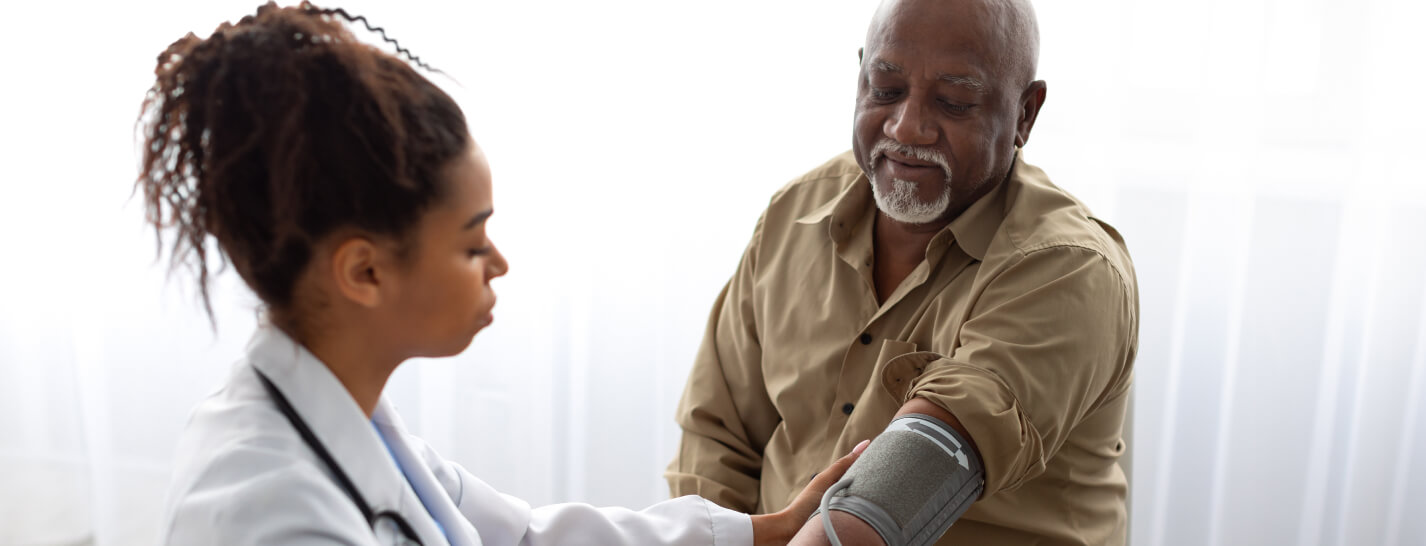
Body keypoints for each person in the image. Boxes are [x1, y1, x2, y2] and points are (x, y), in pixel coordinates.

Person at [138, 3, 864, 545]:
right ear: (364, 271)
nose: (500, 264)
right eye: (471, 242)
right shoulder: (274, 513)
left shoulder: (354, 425)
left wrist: (765, 531)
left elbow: (524, 537)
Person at [666, 0, 1139, 544]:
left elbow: (879, 508)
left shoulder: (1069, 270)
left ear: (1025, 114)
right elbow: (715, 437)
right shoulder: (793, 214)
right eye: (885, 89)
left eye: (955, 101)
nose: (906, 125)